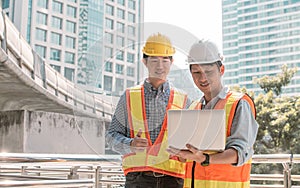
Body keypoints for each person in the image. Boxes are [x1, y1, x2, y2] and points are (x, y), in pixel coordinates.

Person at [167, 40, 259, 188]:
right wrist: (181, 155)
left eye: (208, 72)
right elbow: (189, 158)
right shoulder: (193, 108)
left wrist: (205, 158)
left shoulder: (239, 103)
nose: (202, 78)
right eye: (196, 72)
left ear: (221, 70)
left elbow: (240, 153)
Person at [106, 33, 190, 188]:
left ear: (171, 62)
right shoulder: (129, 96)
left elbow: (191, 142)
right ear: (144, 62)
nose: (160, 66)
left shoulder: (184, 100)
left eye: (165, 60)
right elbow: (111, 136)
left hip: (173, 180)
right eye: (154, 60)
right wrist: (130, 144)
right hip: (138, 179)